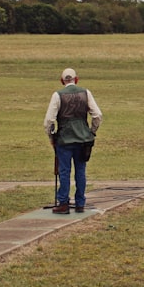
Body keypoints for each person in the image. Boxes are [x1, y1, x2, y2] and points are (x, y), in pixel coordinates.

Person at [44, 68, 103, 214]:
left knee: (64, 171)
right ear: (76, 79)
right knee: (80, 171)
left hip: (64, 140)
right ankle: (80, 203)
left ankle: (63, 203)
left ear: (61, 80)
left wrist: (52, 137)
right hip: (83, 140)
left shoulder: (57, 95)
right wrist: (91, 132)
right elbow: (97, 115)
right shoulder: (86, 93)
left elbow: (49, 121)